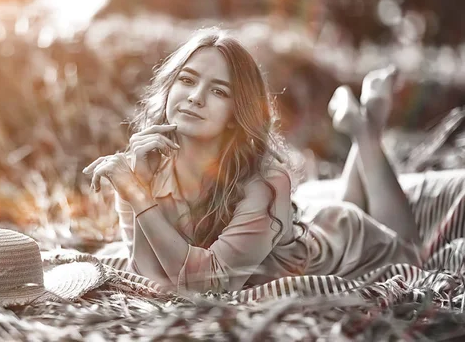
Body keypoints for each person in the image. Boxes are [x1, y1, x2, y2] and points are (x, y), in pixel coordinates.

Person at [83, 28, 422, 294]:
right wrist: (138, 188)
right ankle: (368, 124)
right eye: (186, 80)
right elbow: (149, 277)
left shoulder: (266, 182)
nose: (195, 97)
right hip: (299, 228)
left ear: (236, 113)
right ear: (169, 89)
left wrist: (141, 199)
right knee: (350, 203)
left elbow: (210, 285)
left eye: (218, 91)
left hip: (345, 246)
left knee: (410, 249)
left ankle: (364, 130)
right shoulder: (140, 167)